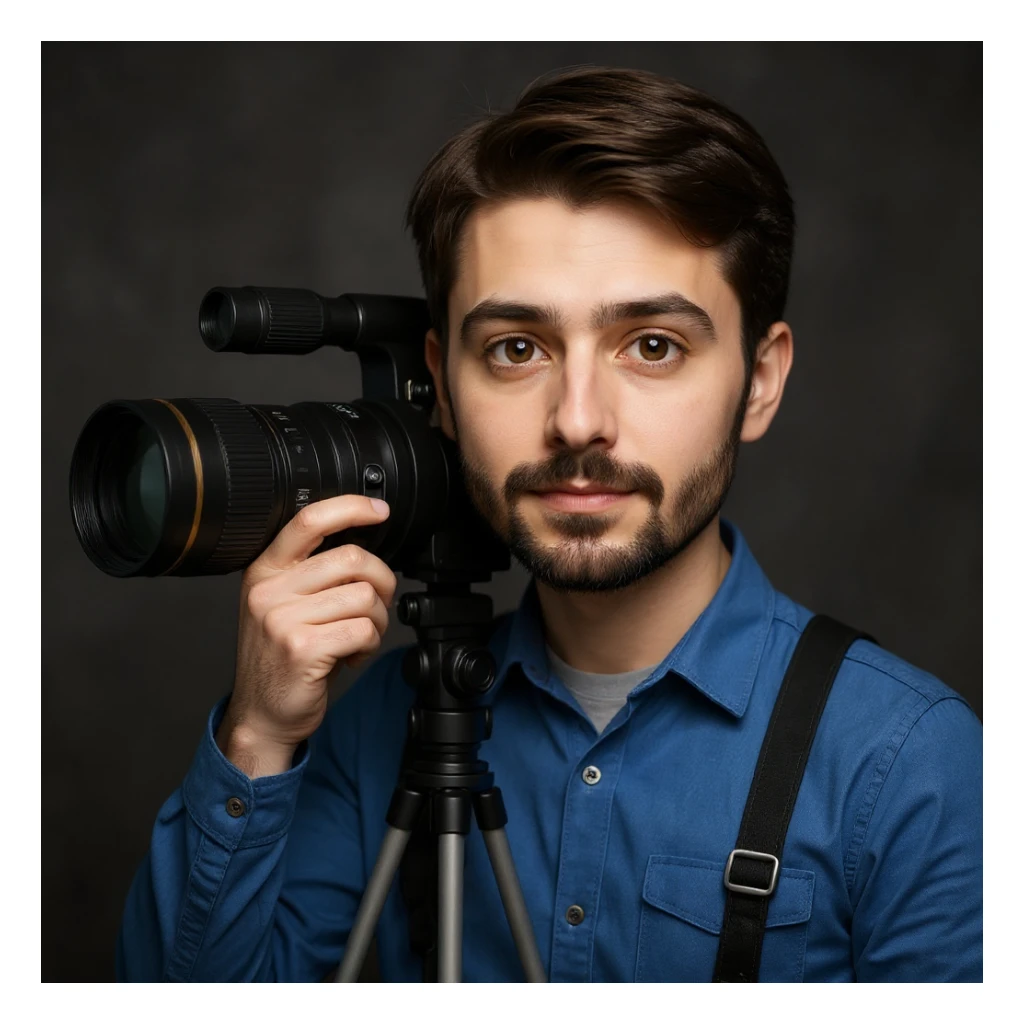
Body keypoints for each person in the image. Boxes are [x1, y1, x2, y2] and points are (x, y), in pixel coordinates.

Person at [115, 64, 982, 983]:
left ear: (760, 380)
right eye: (516, 349)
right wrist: (258, 736)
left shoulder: (909, 763)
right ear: (444, 384)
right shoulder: (382, 726)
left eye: (653, 346)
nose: (576, 419)